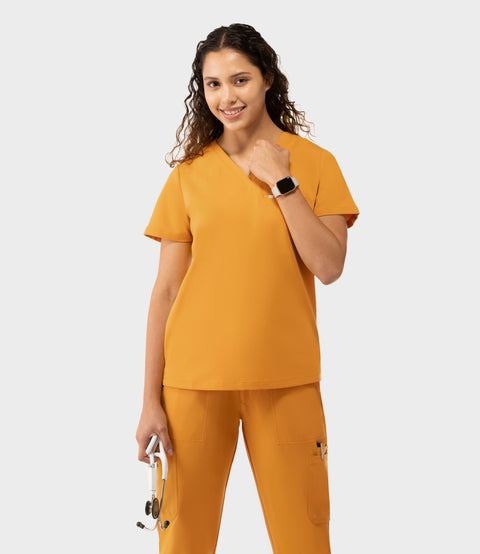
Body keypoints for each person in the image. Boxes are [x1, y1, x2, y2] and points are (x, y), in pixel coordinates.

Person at [135, 22, 360, 554]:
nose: (226, 97)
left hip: (287, 380)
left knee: (304, 540)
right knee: (182, 542)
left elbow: (329, 266)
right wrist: (149, 400)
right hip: (193, 384)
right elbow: (165, 292)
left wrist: (283, 183)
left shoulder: (315, 164)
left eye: (240, 80)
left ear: (267, 79)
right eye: (213, 84)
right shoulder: (189, 175)